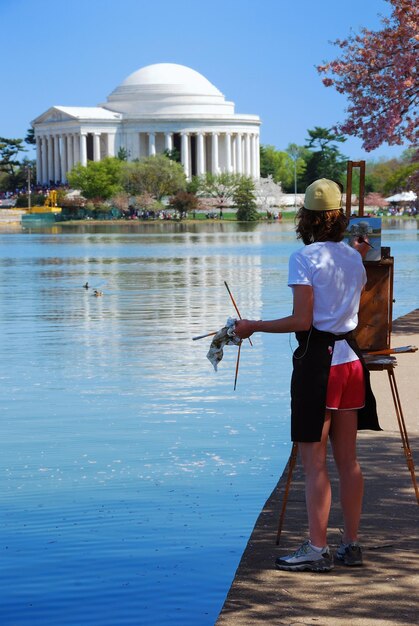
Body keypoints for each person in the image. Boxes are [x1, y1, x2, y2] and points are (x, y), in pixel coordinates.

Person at [234, 178, 381, 573]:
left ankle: (317, 548)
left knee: (314, 462)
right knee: (348, 461)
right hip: (352, 361)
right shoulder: (354, 257)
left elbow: (303, 320)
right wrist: (359, 252)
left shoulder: (304, 258)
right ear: (340, 218)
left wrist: (252, 326)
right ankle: (351, 544)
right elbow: (355, 296)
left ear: (306, 217)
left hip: (320, 362)